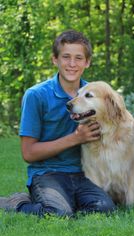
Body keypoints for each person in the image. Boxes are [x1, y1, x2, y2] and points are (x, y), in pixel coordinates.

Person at [0, 30, 115, 216]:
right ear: (55, 59)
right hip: (48, 173)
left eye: (78, 58)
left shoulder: (95, 93)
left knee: (104, 208)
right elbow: (28, 153)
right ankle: (15, 202)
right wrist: (76, 138)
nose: (72, 64)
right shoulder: (36, 95)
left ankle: (64, 201)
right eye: (66, 57)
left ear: (87, 62)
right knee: (58, 213)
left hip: (84, 174)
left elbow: (119, 117)